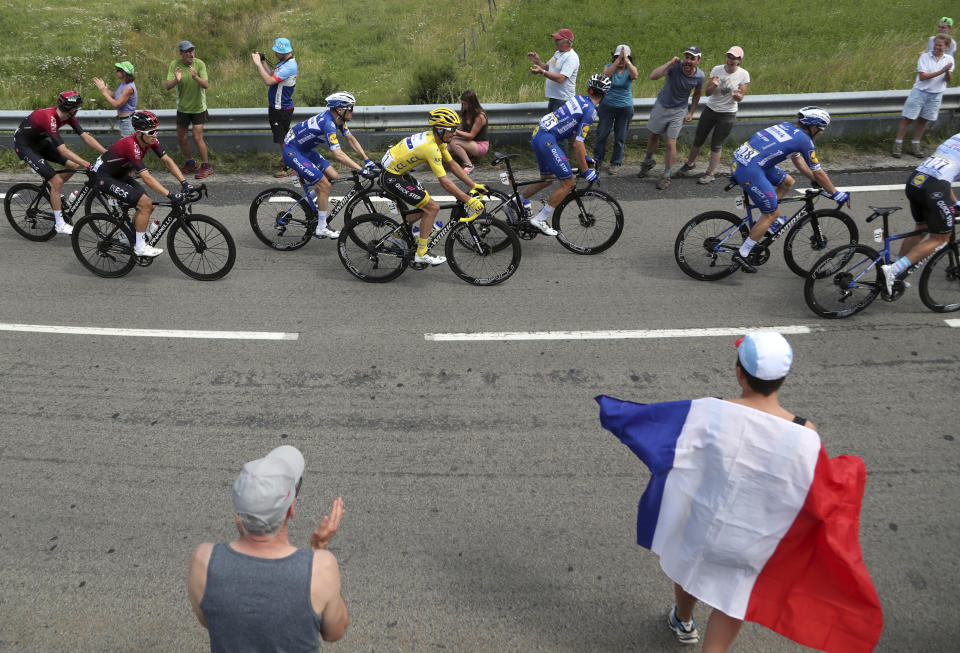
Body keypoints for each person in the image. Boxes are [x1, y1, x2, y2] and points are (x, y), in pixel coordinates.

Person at [666, 332, 816, 651]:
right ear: (783, 379)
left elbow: (678, 453)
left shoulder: (712, 410)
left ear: (739, 373)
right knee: (733, 601)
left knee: (691, 571)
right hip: (754, 537)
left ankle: (683, 619)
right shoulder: (805, 433)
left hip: (703, 524)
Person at [187, 445, 349, 652]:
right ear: (291, 508)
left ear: (238, 512)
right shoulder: (320, 567)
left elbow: (212, 620)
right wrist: (319, 548)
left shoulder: (204, 561)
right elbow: (334, 633)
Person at [729, 106, 850, 273]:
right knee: (772, 214)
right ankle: (742, 254)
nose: (821, 132)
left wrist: (814, 180)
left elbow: (799, 162)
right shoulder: (804, 141)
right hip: (750, 171)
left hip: (746, 163)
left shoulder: (787, 126)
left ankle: (761, 223)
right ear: (813, 127)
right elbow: (819, 172)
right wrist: (836, 194)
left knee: (787, 182)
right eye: (821, 128)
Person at [379, 107, 486, 266]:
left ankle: (397, 235)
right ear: (441, 129)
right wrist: (468, 200)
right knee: (432, 207)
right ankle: (421, 253)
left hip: (398, 171)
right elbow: (445, 183)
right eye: (452, 129)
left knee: (425, 204)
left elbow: (452, 165)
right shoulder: (431, 148)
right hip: (391, 176)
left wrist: (473, 184)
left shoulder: (438, 139)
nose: (455, 133)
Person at [93, 111, 195, 258]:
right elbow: (146, 177)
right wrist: (170, 195)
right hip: (105, 177)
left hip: (121, 175)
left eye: (156, 131)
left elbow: (167, 160)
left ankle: (127, 236)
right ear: (139, 133)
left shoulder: (150, 140)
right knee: (145, 204)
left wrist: (185, 183)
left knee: (150, 205)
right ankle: (140, 247)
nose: (155, 135)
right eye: (151, 132)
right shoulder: (131, 145)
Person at [519, 74, 610, 236]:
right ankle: (540, 219)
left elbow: (574, 135)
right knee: (568, 184)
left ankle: (518, 200)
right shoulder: (590, 111)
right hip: (547, 139)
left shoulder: (579, 99)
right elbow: (578, 143)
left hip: (539, 134)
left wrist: (586, 158)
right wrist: (587, 171)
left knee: (547, 178)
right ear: (605, 95)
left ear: (589, 89)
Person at [281, 92, 378, 240]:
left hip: (304, 150)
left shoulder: (338, 119)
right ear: (340, 109)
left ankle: (307, 202)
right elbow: (338, 155)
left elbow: (350, 139)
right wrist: (361, 170)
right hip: (293, 151)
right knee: (324, 185)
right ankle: (321, 227)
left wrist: (367, 160)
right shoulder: (328, 124)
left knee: (333, 176)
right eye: (351, 108)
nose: (353, 111)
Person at [12, 91, 108, 235]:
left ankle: (53, 191)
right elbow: (63, 151)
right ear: (73, 109)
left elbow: (85, 137)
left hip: (40, 143)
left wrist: (107, 153)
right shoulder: (49, 118)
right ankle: (59, 223)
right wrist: (88, 164)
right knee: (57, 180)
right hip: (24, 146)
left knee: (73, 166)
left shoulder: (68, 116)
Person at [882, 132, 960, 295]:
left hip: (916, 182)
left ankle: (895, 275)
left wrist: (956, 203)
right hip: (934, 190)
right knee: (940, 239)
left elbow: (947, 179)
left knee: (922, 227)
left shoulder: (955, 137)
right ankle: (894, 271)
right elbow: (943, 183)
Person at [676, 46, 750, 185]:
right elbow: (708, 93)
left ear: (739, 60)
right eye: (729, 57)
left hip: (727, 114)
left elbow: (741, 97)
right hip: (710, 110)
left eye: (734, 58)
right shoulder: (717, 69)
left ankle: (710, 173)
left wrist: (737, 96)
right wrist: (713, 85)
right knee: (698, 138)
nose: (730, 60)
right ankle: (690, 163)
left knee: (716, 144)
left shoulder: (743, 75)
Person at [636, 46, 705, 190]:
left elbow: (697, 94)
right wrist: (669, 63)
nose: (688, 61)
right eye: (686, 57)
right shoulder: (675, 67)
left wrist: (691, 112)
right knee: (654, 135)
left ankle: (666, 175)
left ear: (698, 60)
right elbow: (653, 76)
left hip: (679, 110)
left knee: (670, 143)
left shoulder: (700, 76)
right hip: (662, 105)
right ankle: (647, 162)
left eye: (692, 58)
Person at [893, 34, 954, 158]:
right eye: (935, 44)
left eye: (940, 45)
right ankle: (897, 145)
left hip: (936, 94)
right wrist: (942, 70)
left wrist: (947, 71)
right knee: (908, 118)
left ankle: (915, 145)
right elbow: (923, 77)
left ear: (946, 47)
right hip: (920, 92)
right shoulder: (924, 57)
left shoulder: (949, 59)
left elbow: (948, 80)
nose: (937, 47)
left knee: (923, 120)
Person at [165, 40, 213, 178]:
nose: (191, 54)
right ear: (181, 53)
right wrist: (176, 80)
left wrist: (195, 77)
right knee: (181, 138)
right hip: (183, 108)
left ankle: (206, 166)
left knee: (198, 137)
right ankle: (191, 163)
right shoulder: (174, 64)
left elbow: (206, 85)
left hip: (198, 108)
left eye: (192, 51)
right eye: (187, 51)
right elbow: (167, 86)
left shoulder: (200, 64)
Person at [252, 37, 298, 178]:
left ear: (283, 51)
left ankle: (289, 166)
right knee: (284, 138)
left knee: (282, 139)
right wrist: (264, 61)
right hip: (279, 107)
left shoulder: (289, 66)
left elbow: (269, 81)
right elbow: (272, 74)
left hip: (280, 109)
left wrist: (258, 65)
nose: (275, 53)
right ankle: (288, 157)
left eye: (277, 51)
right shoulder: (285, 62)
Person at [527, 28, 580, 150]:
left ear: (567, 42)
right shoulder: (558, 53)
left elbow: (561, 78)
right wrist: (538, 61)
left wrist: (542, 72)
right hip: (554, 98)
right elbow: (548, 67)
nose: (555, 41)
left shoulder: (571, 57)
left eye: (558, 39)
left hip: (563, 100)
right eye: (555, 39)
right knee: (552, 131)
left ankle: (563, 164)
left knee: (559, 134)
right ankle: (556, 160)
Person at [592, 44, 638, 175]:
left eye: (623, 57)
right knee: (602, 134)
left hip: (625, 108)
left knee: (620, 137)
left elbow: (635, 75)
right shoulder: (608, 67)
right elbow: (606, 75)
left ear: (628, 57)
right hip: (607, 106)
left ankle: (616, 162)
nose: (621, 60)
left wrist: (626, 61)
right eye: (617, 57)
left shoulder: (630, 69)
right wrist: (618, 60)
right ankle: (597, 161)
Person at [448, 90, 489, 174]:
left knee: (454, 142)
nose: (463, 106)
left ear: (472, 103)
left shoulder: (480, 116)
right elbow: (459, 127)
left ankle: (469, 165)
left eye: (465, 104)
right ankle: (442, 164)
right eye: (462, 103)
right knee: (448, 144)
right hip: (470, 143)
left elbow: (471, 136)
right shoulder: (466, 113)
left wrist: (456, 132)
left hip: (480, 145)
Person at [92, 61, 138, 137]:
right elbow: (115, 95)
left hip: (127, 122)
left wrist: (104, 92)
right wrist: (104, 89)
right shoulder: (123, 83)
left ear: (125, 73)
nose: (116, 71)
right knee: (124, 144)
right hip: (123, 120)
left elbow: (116, 104)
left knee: (127, 146)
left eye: (118, 70)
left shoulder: (129, 88)